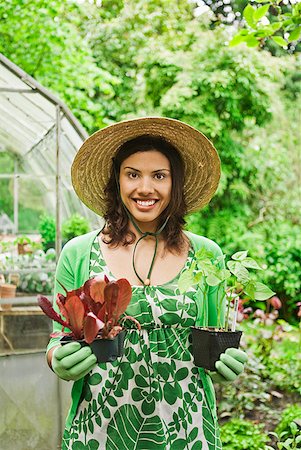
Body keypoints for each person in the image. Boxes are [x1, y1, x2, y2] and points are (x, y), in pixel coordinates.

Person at [46, 117, 248, 450]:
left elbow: (217, 332)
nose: (145, 188)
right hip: (101, 428)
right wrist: (58, 359)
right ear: (117, 181)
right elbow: (57, 338)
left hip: (187, 426)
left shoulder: (206, 255)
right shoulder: (80, 253)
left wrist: (229, 362)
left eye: (159, 176)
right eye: (132, 174)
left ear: (175, 184)